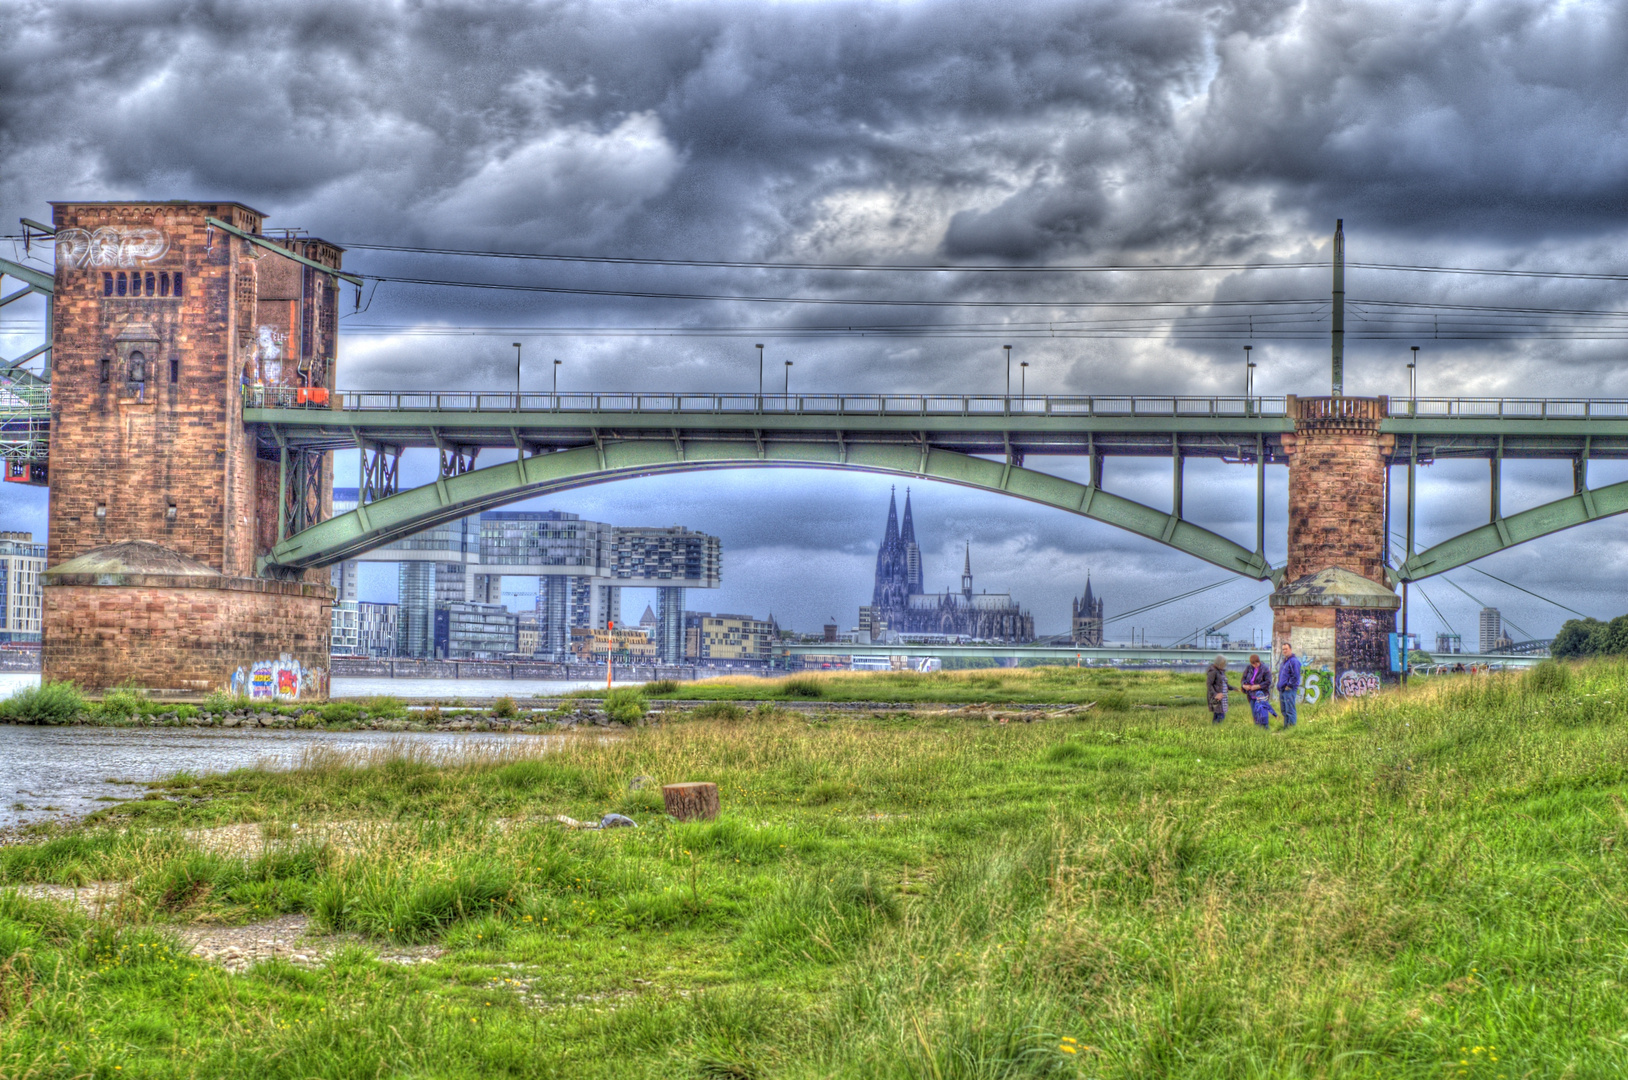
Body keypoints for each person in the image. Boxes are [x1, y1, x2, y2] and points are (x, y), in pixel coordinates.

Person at [1242, 653, 1275, 728]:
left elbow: (1268, 681)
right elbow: (1243, 679)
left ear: (1259, 661)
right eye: (1253, 664)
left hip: (1262, 694)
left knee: (1263, 714)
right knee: (1255, 714)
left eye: (1256, 663)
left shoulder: (1265, 669)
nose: (1255, 665)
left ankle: (1265, 729)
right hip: (1251, 695)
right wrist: (1244, 685)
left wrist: (1258, 686)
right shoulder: (1248, 668)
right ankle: (1258, 730)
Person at [1277, 641, 1301, 729]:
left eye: (1286, 649)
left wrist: (1289, 685)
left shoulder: (1293, 661)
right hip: (1282, 690)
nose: (1284, 651)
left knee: (1290, 710)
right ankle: (1286, 728)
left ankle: (1291, 728)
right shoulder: (1284, 662)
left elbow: (1296, 676)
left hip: (1289, 690)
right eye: (1283, 649)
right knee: (1284, 710)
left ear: (1290, 649)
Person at [1206, 655, 1234, 724]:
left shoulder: (1220, 671)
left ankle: (1214, 730)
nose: (1224, 665)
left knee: (1218, 715)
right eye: (1223, 663)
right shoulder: (1213, 671)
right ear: (1219, 663)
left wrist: (1233, 688)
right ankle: (1216, 730)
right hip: (1217, 697)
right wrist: (1215, 694)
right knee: (1220, 716)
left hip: (1222, 697)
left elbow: (1224, 684)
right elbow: (1209, 684)